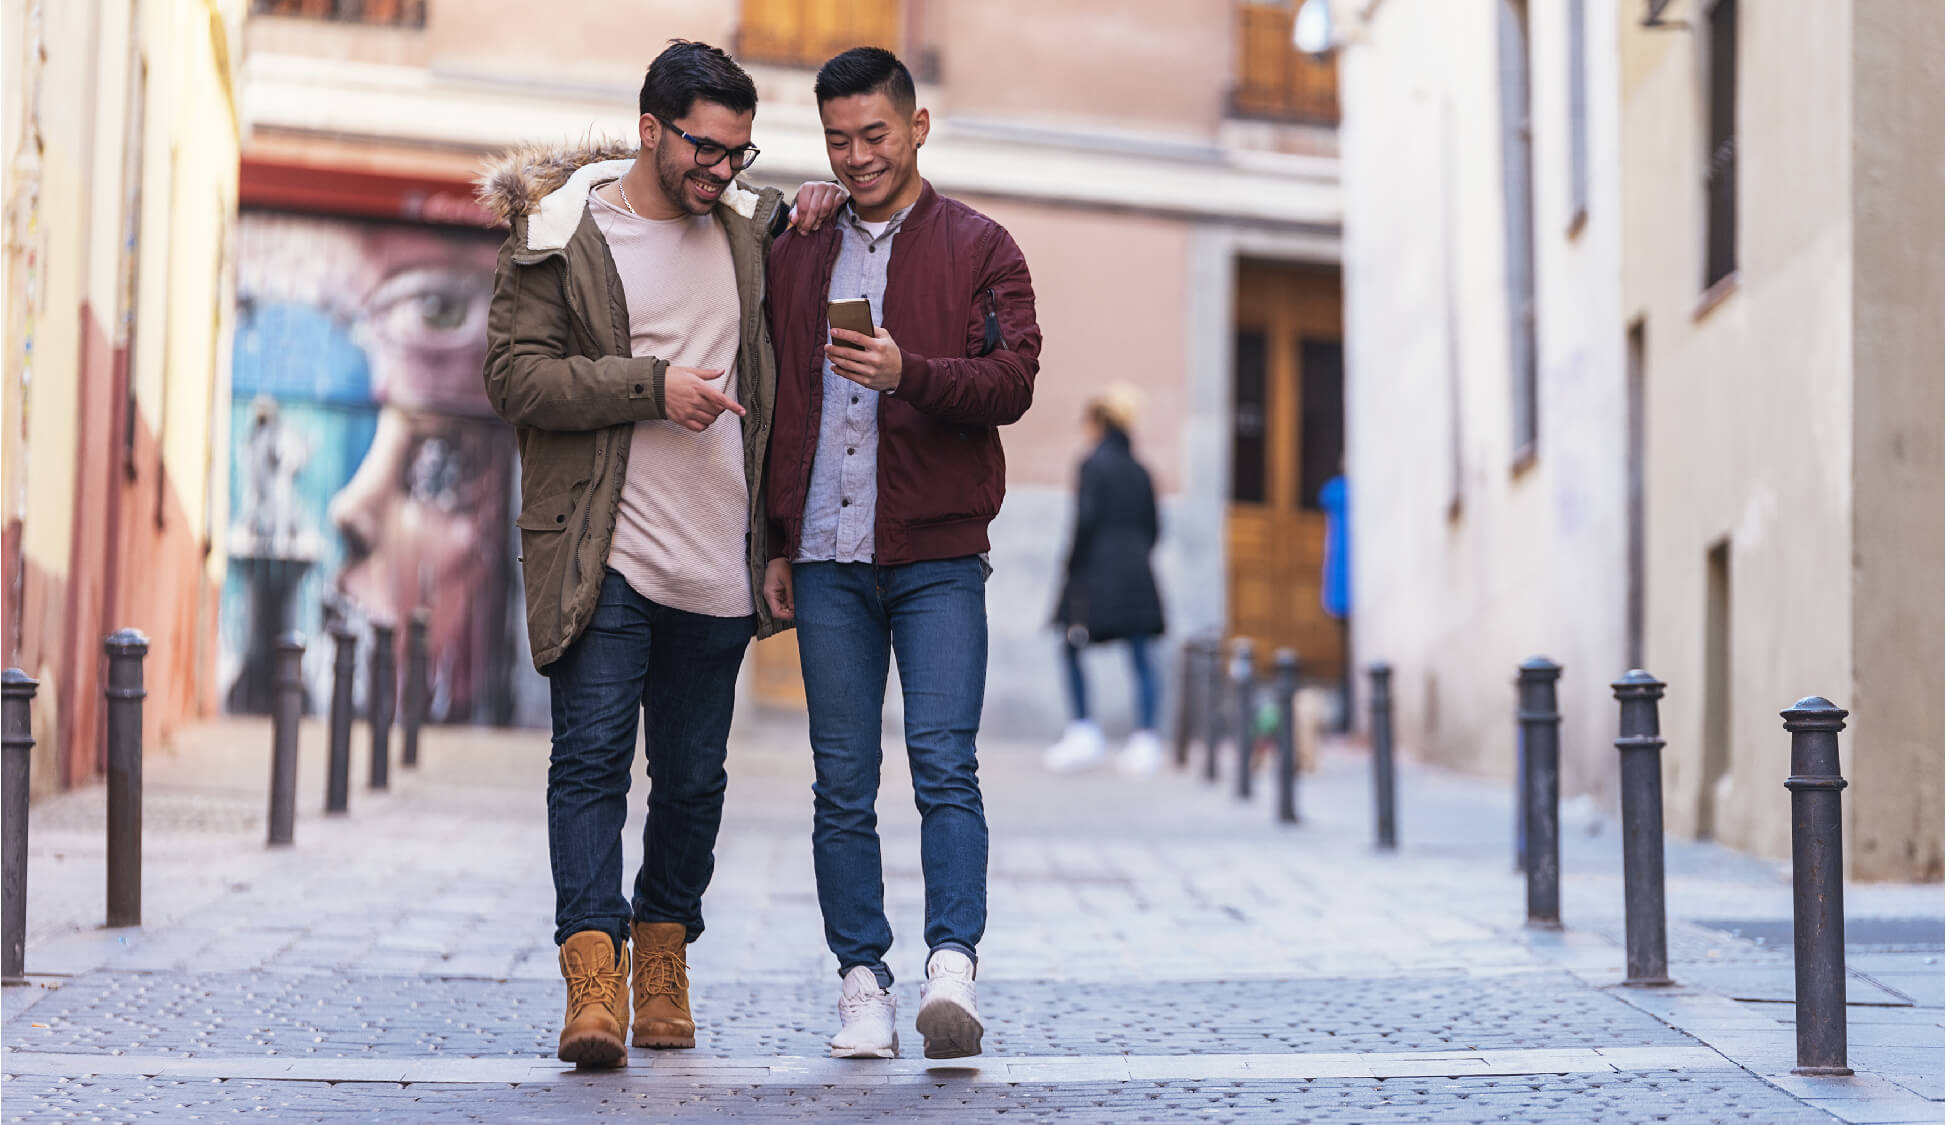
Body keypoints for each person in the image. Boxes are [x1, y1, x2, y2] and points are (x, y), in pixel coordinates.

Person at [478, 41, 842, 1069]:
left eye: (738, 152)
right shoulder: (561, 232)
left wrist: (809, 202)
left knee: (692, 783)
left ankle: (664, 953)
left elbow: (816, 255)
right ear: (649, 129)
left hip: (716, 562)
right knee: (589, 763)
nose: (720, 170)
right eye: (703, 148)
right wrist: (650, 386)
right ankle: (592, 987)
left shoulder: (747, 231)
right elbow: (516, 379)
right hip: (605, 553)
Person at [760, 47, 1041, 1060]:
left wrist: (906, 372)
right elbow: (779, 402)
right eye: (837, 140)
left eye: (873, 135)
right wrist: (775, 540)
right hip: (828, 556)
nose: (856, 156)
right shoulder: (799, 243)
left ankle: (951, 970)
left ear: (917, 127)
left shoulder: (981, 247)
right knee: (839, 780)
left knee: (941, 766)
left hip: (935, 556)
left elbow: (1012, 379)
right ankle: (859, 984)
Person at [1041, 383, 1167, 775]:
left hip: (1094, 574)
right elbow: (1154, 528)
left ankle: (1083, 730)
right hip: (1139, 575)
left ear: (1099, 423)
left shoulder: (1092, 464)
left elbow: (1085, 521)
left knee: (1071, 646)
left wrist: (1071, 568)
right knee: (1141, 656)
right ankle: (1147, 738)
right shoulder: (1143, 470)